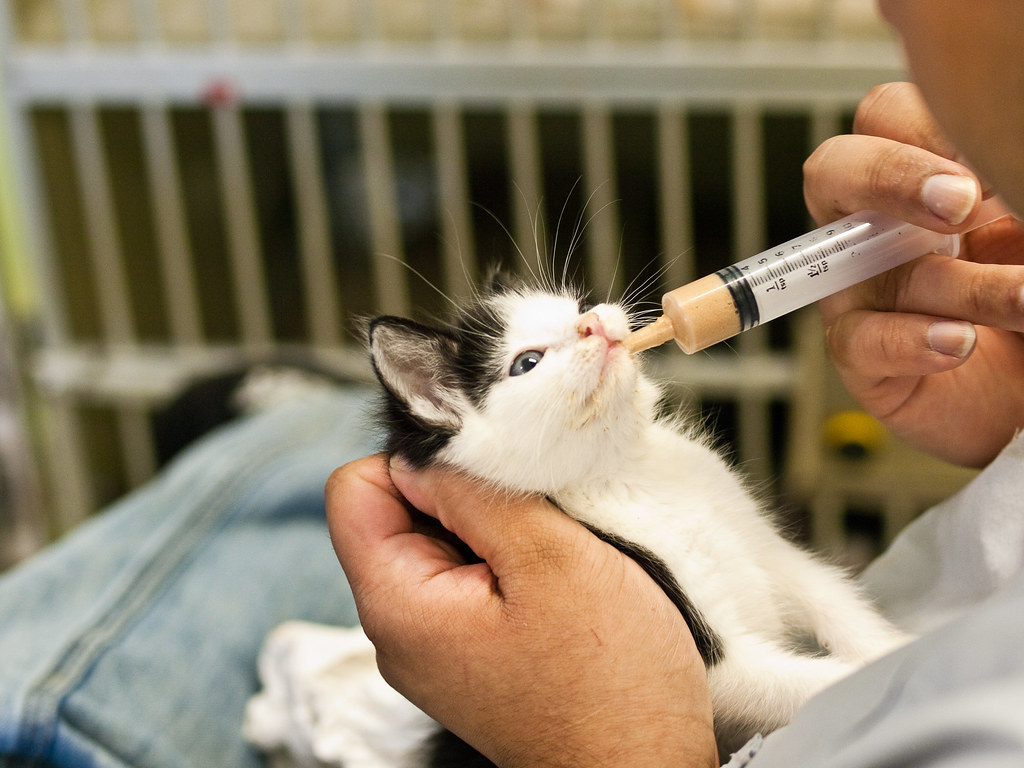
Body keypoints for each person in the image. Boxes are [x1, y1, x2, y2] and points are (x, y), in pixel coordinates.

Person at [327, 1, 1024, 766]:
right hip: (826, 693)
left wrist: (890, 676)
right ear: (440, 409)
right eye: (529, 361)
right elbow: (730, 672)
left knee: (301, 432)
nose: (595, 327)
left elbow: (778, 588)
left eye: (578, 314)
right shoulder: (584, 524)